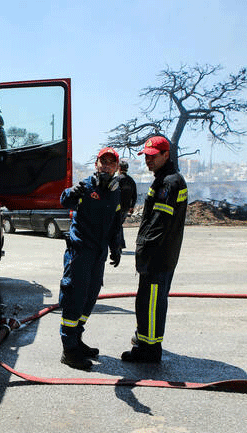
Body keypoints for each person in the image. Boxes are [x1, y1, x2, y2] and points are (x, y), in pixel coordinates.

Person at [121, 135, 187, 363]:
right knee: (148, 300)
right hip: (162, 254)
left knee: (150, 303)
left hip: (158, 255)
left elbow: (157, 224)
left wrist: (143, 251)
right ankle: (145, 339)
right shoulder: (165, 179)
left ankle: (149, 350)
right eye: (146, 157)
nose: (148, 161)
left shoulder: (168, 183)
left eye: (152, 157)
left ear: (165, 155)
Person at [58, 147, 123, 370]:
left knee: (90, 297)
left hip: (99, 253)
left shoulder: (115, 190)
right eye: (102, 162)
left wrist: (116, 246)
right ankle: (69, 350)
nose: (106, 166)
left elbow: (116, 221)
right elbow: (64, 200)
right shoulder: (86, 185)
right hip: (80, 251)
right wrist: (74, 190)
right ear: (96, 164)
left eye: (110, 163)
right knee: (75, 297)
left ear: (116, 167)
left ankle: (77, 339)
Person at [118, 160, 137, 249]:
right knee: (119, 224)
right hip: (126, 208)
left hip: (117, 207)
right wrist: (132, 206)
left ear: (119, 168)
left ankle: (120, 244)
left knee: (117, 225)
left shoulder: (118, 179)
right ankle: (120, 244)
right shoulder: (131, 180)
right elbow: (135, 195)